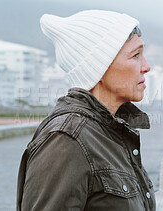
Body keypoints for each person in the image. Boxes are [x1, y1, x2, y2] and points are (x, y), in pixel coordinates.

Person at [16, 10, 155, 210]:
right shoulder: (66, 140)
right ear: (99, 65)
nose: (146, 66)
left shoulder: (110, 132)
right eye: (135, 55)